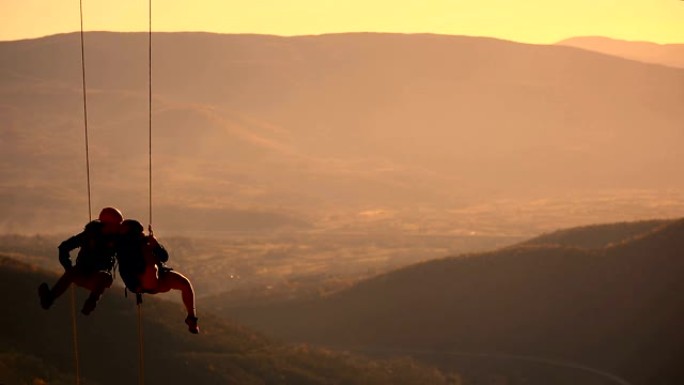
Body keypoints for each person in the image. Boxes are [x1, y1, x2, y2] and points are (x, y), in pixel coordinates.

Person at [117, 219, 199, 334]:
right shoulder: (125, 249)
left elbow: (164, 257)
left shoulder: (146, 243)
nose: (142, 234)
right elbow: (124, 270)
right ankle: (191, 318)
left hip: (159, 276)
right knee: (152, 267)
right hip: (144, 279)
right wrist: (134, 286)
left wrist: (156, 245)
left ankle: (191, 317)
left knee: (185, 284)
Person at [38, 207, 123, 315]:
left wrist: (69, 269)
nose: (118, 228)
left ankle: (90, 303)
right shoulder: (91, 235)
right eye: (117, 225)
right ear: (108, 224)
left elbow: (64, 247)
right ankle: (49, 299)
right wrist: (69, 268)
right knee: (93, 274)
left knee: (102, 276)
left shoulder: (114, 238)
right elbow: (64, 247)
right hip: (86, 274)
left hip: (94, 277)